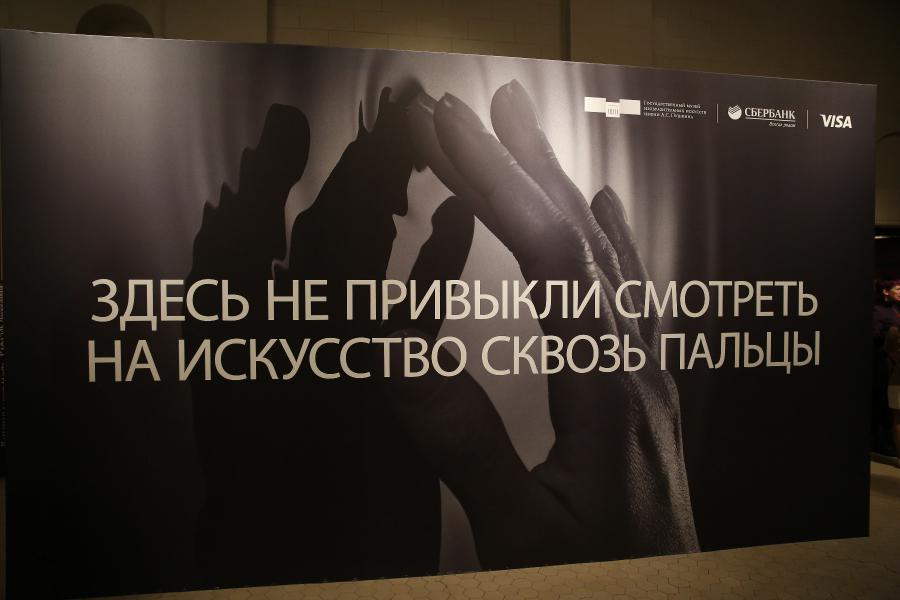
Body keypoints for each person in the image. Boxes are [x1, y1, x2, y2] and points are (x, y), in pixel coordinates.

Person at [872, 279, 900, 461]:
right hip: (885, 364)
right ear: (885, 291)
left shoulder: (896, 310)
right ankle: (884, 444)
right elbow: (875, 337)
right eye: (898, 288)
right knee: (888, 406)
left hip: (895, 362)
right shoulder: (877, 311)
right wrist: (890, 334)